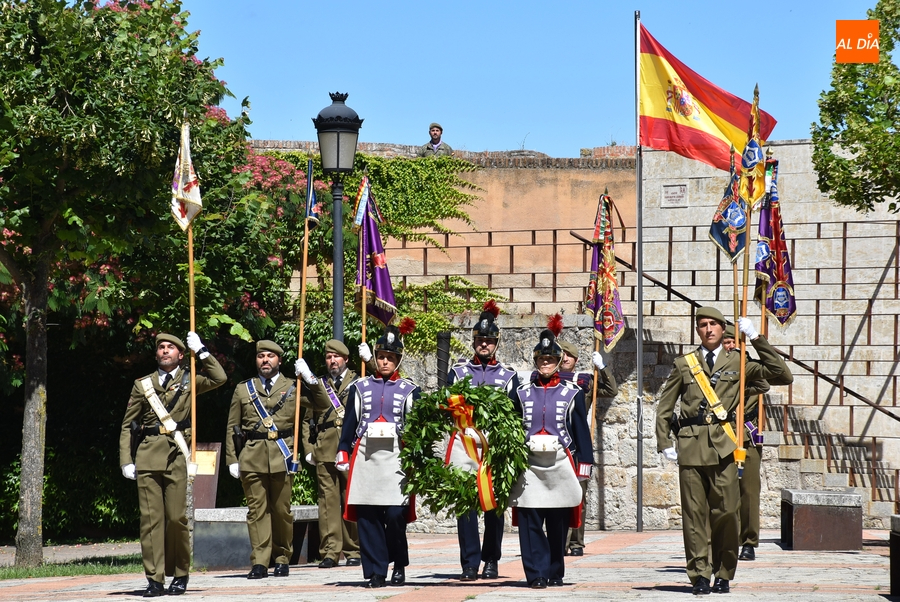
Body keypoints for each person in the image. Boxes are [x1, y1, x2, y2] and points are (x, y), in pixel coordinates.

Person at [655, 308, 792, 595]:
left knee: (728, 512)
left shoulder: (739, 362)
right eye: (702, 325)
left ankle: (724, 572)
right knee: (694, 515)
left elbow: (782, 374)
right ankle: (700, 575)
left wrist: (756, 338)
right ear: (698, 330)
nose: (708, 329)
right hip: (691, 447)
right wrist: (665, 443)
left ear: (722, 328)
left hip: (724, 446)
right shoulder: (685, 364)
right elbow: (665, 407)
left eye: (713, 324)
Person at [119, 332, 226, 597]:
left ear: (180, 354)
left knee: (177, 519)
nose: (165, 351)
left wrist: (201, 351)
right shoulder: (142, 384)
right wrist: (126, 460)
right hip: (147, 455)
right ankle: (154, 579)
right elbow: (127, 425)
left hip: (177, 455)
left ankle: (180, 573)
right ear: (156, 354)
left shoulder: (191, 380)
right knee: (150, 521)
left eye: (171, 348)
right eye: (161, 348)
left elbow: (219, 378)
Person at [336, 324, 421, 589]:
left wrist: (418, 460)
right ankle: (375, 571)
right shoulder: (359, 387)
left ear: (399, 360)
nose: (385, 361)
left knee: (396, 515)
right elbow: (350, 422)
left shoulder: (410, 390)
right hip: (366, 456)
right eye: (382, 356)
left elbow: (417, 430)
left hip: (396, 457)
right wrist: (343, 450)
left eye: (391, 357)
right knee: (368, 515)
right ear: (375, 357)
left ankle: (398, 563)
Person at [509, 328, 593, 589]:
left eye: (550, 359)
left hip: (561, 462)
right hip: (529, 464)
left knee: (558, 523)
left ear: (558, 362)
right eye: (541, 359)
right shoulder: (520, 392)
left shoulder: (573, 392)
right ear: (536, 361)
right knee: (529, 519)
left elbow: (580, 431)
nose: (546, 364)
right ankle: (535, 573)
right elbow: (512, 428)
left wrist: (585, 466)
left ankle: (555, 570)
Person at [445, 302, 518, 581]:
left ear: (496, 343)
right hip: (465, 446)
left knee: (493, 506)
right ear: (473, 342)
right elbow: (448, 408)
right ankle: (468, 564)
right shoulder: (458, 372)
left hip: (494, 448)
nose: (484, 345)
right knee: (465, 506)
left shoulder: (508, 376)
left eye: (488, 341)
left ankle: (491, 561)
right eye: (480, 340)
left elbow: (514, 414)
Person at [224, 340, 300, 579]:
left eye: (270, 356)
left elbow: (313, 411)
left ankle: (282, 557)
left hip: (282, 453)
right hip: (252, 456)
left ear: (279, 360)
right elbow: (232, 426)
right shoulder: (243, 389)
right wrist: (232, 459)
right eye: (261, 356)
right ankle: (259, 561)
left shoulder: (294, 387)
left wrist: (308, 379)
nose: (265, 360)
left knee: (281, 511)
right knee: (256, 511)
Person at [294, 339, 371, 568]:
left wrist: (372, 361)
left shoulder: (360, 381)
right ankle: (330, 551)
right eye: (328, 357)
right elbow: (308, 419)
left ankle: (354, 549)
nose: (332, 361)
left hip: (351, 449)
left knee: (351, 499)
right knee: (327, 503)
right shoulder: (320, 384)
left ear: (346, 359)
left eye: (336, 357)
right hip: (325, 448)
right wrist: (308, 449)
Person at [557, 339, 617, 557]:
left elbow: (611, 390)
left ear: (575, 360)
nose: (564, 358)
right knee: (556, 496)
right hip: (556, 445)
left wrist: (602, 367)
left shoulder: (586, 382)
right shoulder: (548, 380)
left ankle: (576, 542)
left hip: (579, 445)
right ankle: (558, 542)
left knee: (578, 496)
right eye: (561, 354)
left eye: (569, 355)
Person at [723, 325, 771, 563]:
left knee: (749, 492)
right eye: (726, 342)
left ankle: (749, 542)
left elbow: (765, 385)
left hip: (747, 435)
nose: (729, 346)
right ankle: (725, 538)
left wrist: (743, 381)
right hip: (722, 436)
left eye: (733, 342)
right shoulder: (713, 369)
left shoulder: (749, 367)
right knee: (724, 491)